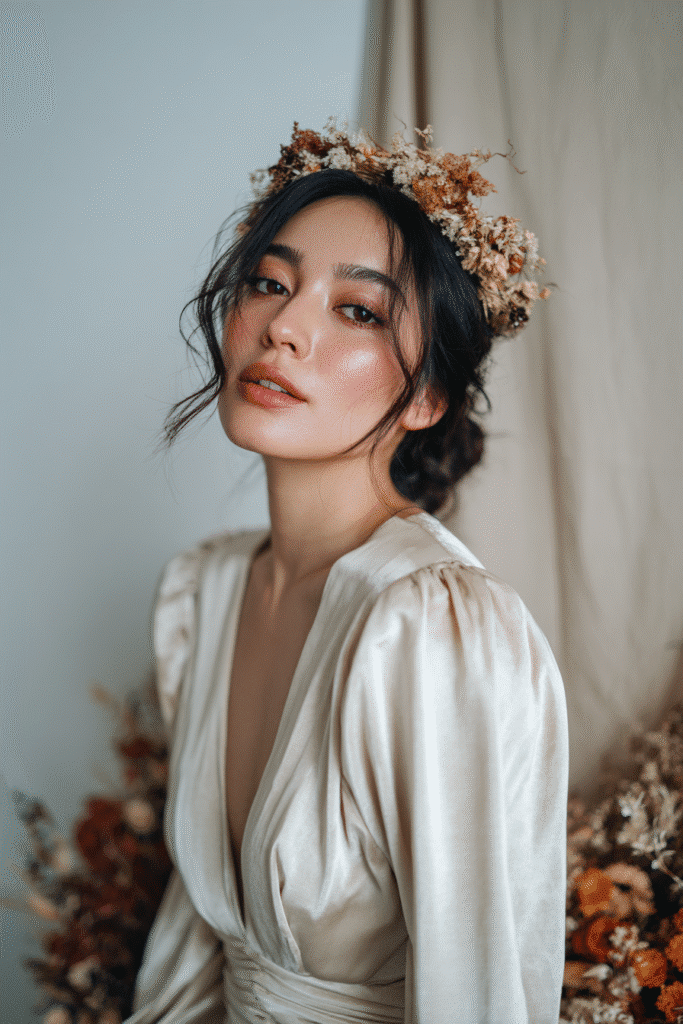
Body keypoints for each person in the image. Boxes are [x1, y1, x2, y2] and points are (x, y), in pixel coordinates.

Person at [125, 123, 568, 1024]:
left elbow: (479, 995)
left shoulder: (433, 627)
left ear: (426, 397)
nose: (284, 327)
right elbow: (193, 954)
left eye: (357, 311)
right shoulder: (204, 593)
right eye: (269, 282)